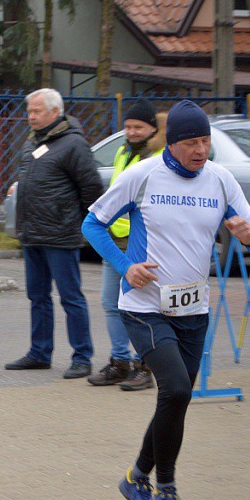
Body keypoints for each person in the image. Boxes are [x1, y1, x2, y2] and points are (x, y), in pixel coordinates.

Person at [83, 100, 250, 500]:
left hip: (193, 310)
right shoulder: (143, 175)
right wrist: (124, 265)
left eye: (205, 140)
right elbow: (92, 224)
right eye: (191, 142)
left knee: (175, 398)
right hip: (144, 308)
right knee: (178, 390)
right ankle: (165, 489)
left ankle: (135, 478)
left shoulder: (221, 180)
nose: (200, 150)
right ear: (173, 142)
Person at [5, 87, 103, 379]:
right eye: (29, 111)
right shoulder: (32, 142)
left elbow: (92, 189)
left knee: (70, 297)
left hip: (60, 234)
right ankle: (39, 352)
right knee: (37, 296)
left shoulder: (74, 144)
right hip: (32, 232)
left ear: (55, 112)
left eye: (37, 111)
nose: (30, 116)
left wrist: (86, 226)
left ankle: (82, 357)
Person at [87, 100, 164, 391]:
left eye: (138, 127)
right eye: (128, 126)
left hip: (141, 246)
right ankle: (120, 362)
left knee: (142, 309)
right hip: (114, 241)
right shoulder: (123, 152)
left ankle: (144, 366)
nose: (131, 132)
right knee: (111, 304)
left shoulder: (156, 158)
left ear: (152, 129)